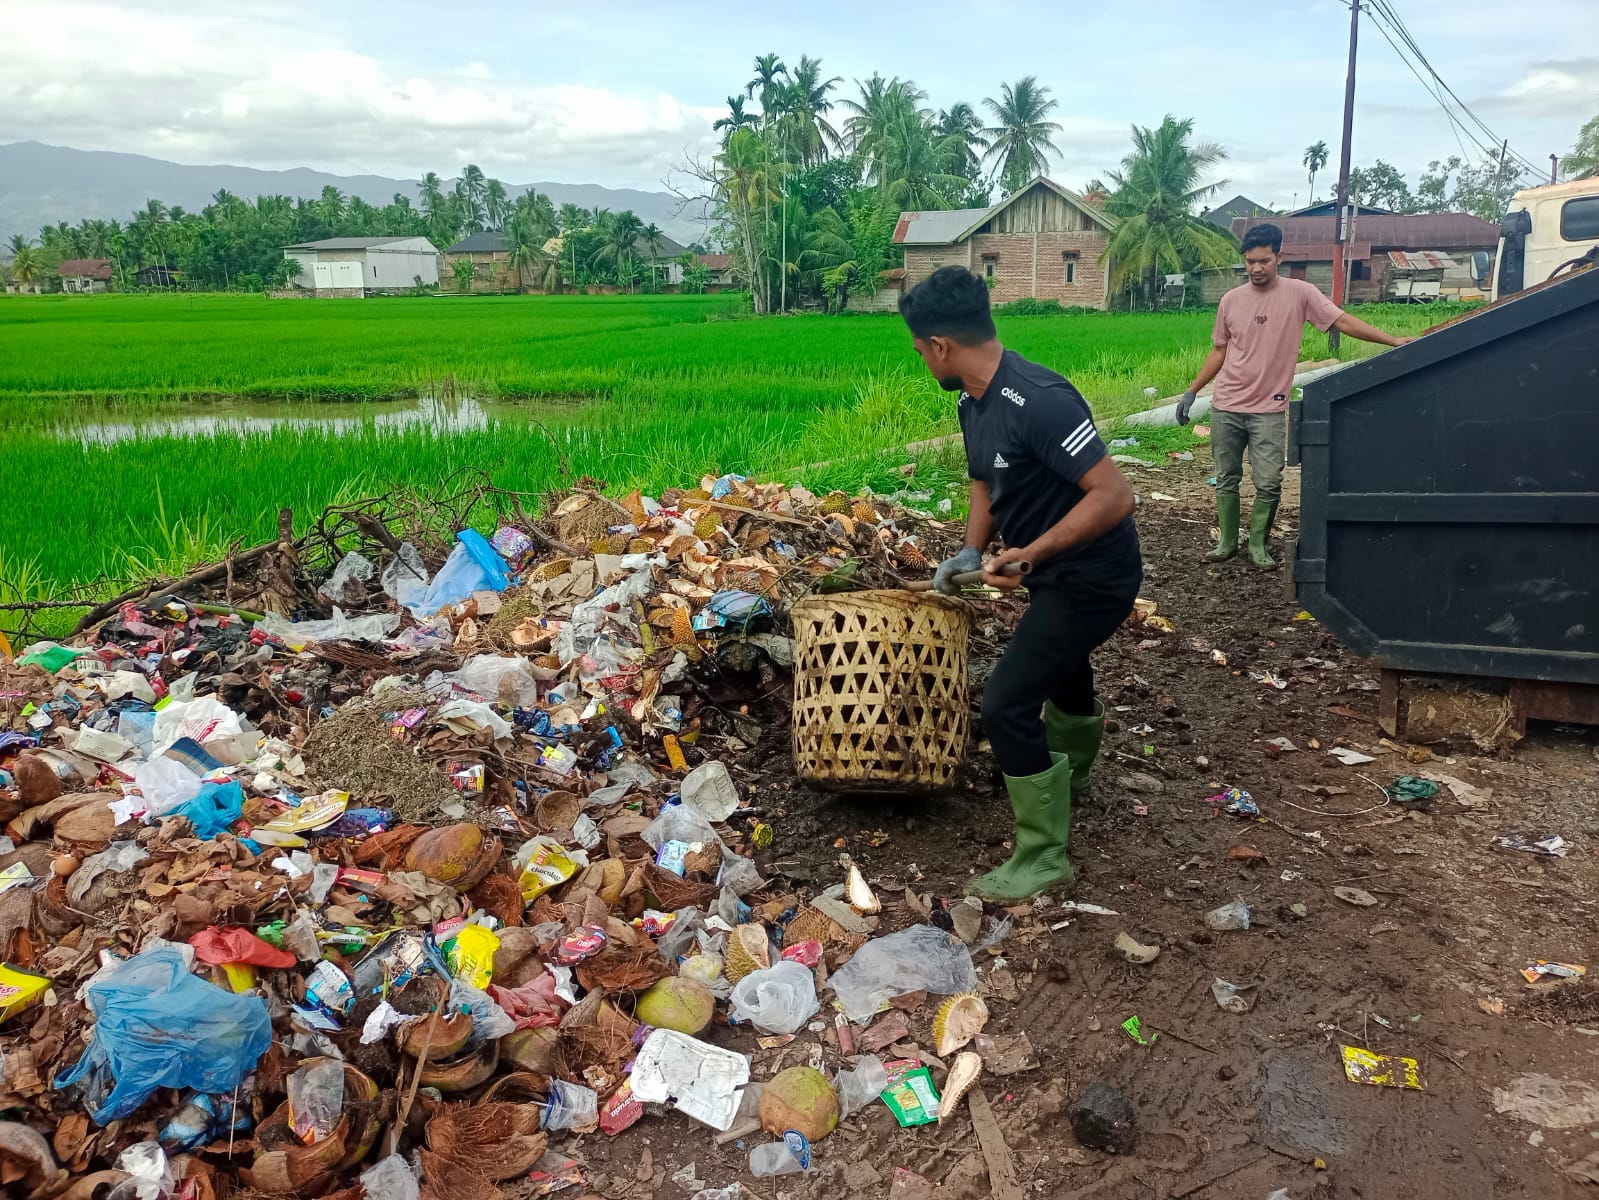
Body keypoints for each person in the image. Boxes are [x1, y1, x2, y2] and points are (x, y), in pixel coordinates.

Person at [899, 265, 1143, 903]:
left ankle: (1042, 855)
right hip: (1053, 574)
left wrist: (1028, 554)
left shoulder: (1041, 398)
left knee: (1005, 703)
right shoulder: (970, 400)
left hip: (1094, 578)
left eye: (921, 348)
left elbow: (1116, 496)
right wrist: (971, 548)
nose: (922, 359)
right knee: (1061, 667)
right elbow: (984, 477)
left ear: (942, 347)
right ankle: (1073, 777)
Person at [1178, 223, 1414, 567]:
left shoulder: (1300, 294)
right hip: (1226, 404)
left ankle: (1258, 544)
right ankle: (1227, 543)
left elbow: (1342, 321)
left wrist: (1391, 341)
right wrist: (1191, 391)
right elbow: (1219, 351)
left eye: (1264, 261)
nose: (1256, 268)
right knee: (1226, 477)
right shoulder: (1231, 300)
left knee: (1270, 480)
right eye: (1250, 262)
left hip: (1268, 409)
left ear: (1279, 257)